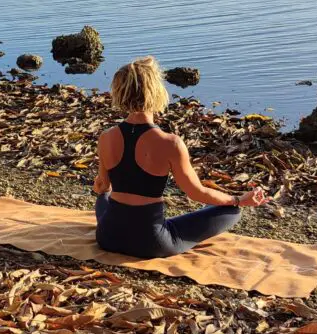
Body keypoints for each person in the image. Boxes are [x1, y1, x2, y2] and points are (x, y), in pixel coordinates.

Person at [93, 56, 267, 258]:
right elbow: (196, 193)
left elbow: (102, 187)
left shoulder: (106, 137)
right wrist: (238, 199)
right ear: (157, 91)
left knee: (104, 198)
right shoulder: (171, 143)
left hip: (107, 237)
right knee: (231, 211)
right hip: (150, 243)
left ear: (119, 93)